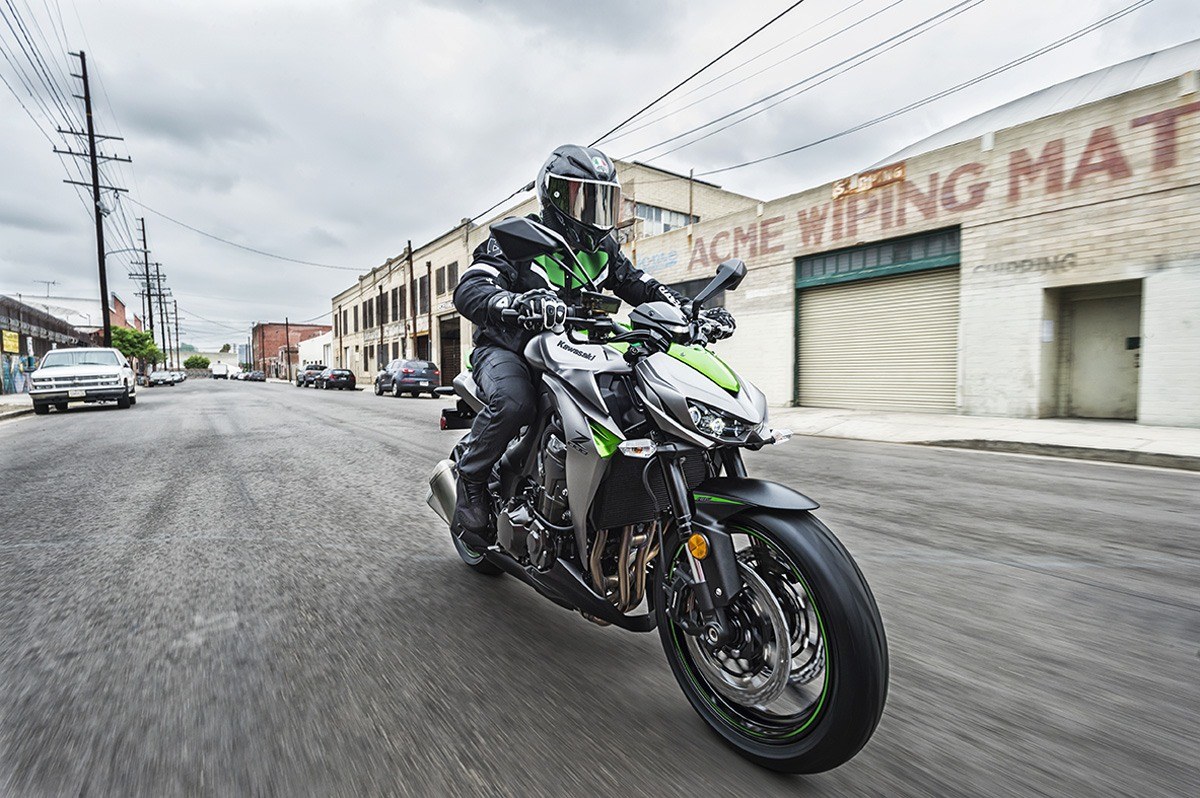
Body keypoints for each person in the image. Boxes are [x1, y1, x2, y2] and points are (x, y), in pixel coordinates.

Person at [451, 144, 736, 537]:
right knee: (515, 401)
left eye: (602, 200)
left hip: (578, 349)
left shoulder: (604, 249)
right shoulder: (520, 240)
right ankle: (472, 480)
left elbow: (643, 286)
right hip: (510, 347)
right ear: (553, 197)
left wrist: (689, 312)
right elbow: (471, 288)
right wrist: (514, 302)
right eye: (582, 198)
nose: (593, 211)